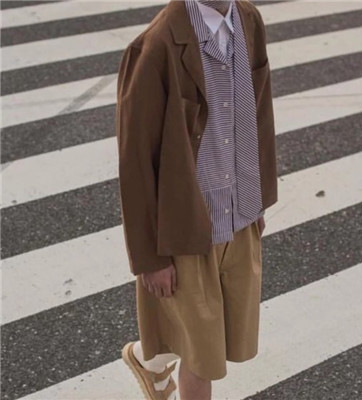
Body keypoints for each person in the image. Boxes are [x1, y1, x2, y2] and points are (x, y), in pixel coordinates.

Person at [116, 0, 277, 398]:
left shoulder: (249, 21)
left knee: (218, 335)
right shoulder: (155, 47)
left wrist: (255, 197)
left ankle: (149, 362)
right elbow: (136, 162)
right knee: (202, 358)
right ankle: (155, 364)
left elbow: (258, 114)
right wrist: (150, 259)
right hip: (187, 225)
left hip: (238, 213)